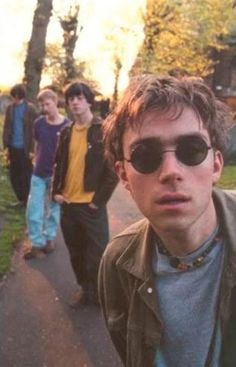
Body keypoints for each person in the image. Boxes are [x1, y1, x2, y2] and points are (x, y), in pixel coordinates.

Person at [98, 75, 236, 366]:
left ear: (215, 165)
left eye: (192, 150)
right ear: (123, 175)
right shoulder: (117, 263)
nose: (171, 171)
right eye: (145, 155)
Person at [52, 81, 118, 306]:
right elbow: (59, 165)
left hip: (91, 206)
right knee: (76, 253)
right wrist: (55, 193)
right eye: (71, 99)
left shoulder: (102, 130)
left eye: (79, 98)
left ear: (89, 101)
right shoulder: (66, 132)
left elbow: (113, 171)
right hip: (68, 204)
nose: (75, 102)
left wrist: (97, 202)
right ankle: (84, 289)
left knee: (98, 253)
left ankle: (99, 293)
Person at [24, 89, 70, 260]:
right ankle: (36, 243)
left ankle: (49, 238)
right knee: (33, 210)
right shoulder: (38, 124)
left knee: (53, 209)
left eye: (47, 104)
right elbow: (37, 145)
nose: (44, 108)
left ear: (55, 102)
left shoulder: (67, 126)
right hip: (38, 174)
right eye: (42, 105)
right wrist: (35, 159)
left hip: (55, 176)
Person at [2, 83, 38, 206]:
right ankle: (21, 199)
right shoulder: (10, 108)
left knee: (26, 175)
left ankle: (29, 200)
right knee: (14, 175)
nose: (13, 99)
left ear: (19, 95)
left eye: (15, 96)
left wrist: (33, 149)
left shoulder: (31, 109)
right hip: (13, 146)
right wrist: (5, 144)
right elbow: (7, 126)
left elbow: (35, 129)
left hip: (25, 148)